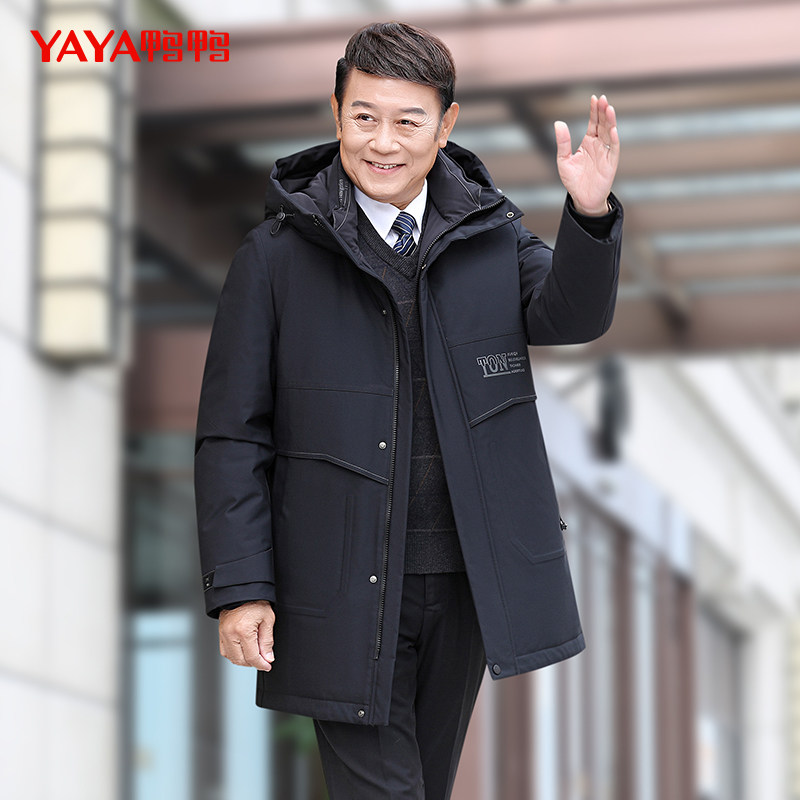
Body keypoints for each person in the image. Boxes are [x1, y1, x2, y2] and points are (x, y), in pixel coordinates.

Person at [195, 20, 622, 800]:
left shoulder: (490, 236)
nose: (383, 143)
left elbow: (569, 315)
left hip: (463, 581)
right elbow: (231, 434)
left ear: (445, 124)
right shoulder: (277, 257)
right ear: (336, 113)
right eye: (364, 117)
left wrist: (589, 218)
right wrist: (241, 586)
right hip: (335, 588)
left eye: (407, 120)